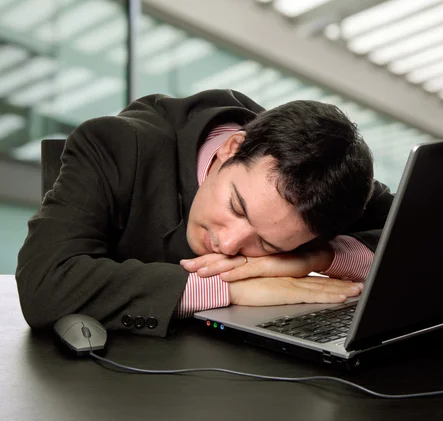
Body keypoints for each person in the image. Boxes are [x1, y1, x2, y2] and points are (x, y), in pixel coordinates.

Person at [16, 89, 394, 337]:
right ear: (231, 148)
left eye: (266, 242)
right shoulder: (116, 145)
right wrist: (229, 289)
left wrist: (318, 257)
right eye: (236, 206)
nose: (229, 243)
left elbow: (424, 237)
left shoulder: (324, 176)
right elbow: (44, 285)